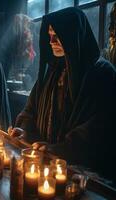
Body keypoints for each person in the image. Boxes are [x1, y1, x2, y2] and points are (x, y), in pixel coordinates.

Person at [11, 7, 116, 180]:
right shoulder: (53, 71)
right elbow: (30, 110)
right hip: (44, 167)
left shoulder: (103, 74)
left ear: (73, 35)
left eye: (57, 35)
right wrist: (25, 131)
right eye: (49, 34)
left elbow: (98, 130)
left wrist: (59, 150)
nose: (51, 40)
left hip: (83, 177)